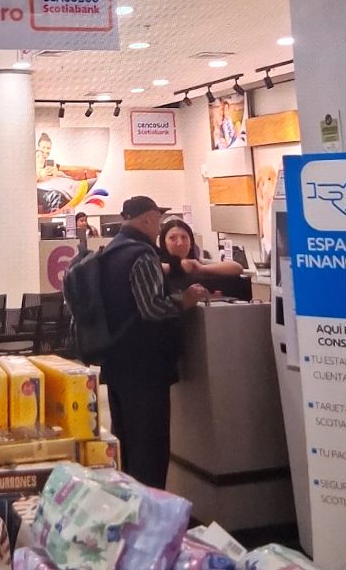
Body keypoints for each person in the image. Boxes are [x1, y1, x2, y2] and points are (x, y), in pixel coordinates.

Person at [100, 195, 207, 490]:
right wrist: (184, 301)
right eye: (158, 220)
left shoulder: (112, 250)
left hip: (117, 361)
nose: (159, 226)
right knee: (150, 446)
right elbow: (152, 308)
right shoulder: (142, 254)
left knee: (126, 441)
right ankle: (150, 509)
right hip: (145, 367)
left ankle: (129, 502)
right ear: (147, 218)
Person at [158, 218, 251, 300]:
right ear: (164, 243)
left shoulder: (198, 263)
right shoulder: (157, 264)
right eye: (172, 238)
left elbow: (237, 268)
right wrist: (178, 267)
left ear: (191, 243)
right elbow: (155, 269)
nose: (180, 243)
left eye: (184, 237)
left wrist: (200, 268)